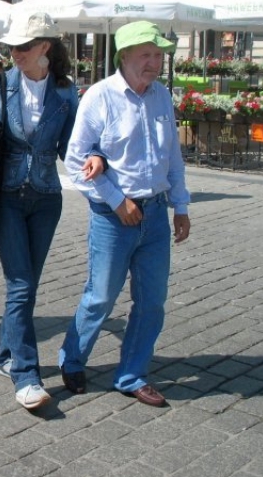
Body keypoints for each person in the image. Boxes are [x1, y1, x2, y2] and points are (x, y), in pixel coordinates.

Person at [0, 12, 101, 410]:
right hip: (4, 197)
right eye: (12, 47)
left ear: (46, 47)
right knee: (21, 285)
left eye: (24, 46)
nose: (16, 53)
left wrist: (96, 160)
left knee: (25, 287)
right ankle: (26, 375)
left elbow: (71, 149)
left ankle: (7, 355)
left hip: (45, 200)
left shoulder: (65, 93)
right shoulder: (0, 82)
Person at [59, 21, 191, 407]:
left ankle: (131, 374)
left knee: (152, 300)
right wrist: (117, 200)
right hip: (113, 218)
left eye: (158, 55)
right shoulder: (100, 97)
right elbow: (75, 161)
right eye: (146, 55)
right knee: (100, 297)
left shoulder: (161, 95)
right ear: (124, 56)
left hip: (154, 216)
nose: (155, 62)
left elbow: (173, 158)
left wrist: (180, 205)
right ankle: (72, 358)